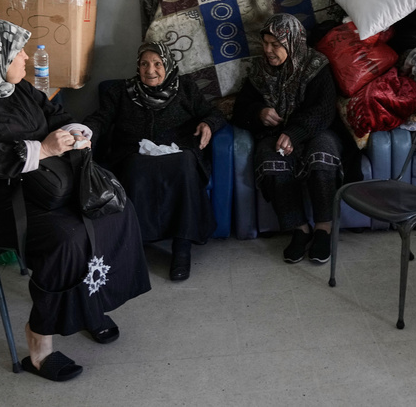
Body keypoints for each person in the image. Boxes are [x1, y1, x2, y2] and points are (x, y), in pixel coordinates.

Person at [0, 19, 151, 382]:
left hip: (42, 187)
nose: (27, 58)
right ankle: (39, 342)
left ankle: (88, 306)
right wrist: (44, 149)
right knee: (67, 237)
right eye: (18, 52)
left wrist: (76, 132)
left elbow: (56, 115)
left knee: (112, 208)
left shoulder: (13, 87)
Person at [84, 42, 225, 282]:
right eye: (144, 64)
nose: (151, 70)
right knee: (136, 169)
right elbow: (101, 118)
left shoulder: (186, 88)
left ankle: (182, 248)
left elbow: (214, 113)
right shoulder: (121, 92)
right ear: (137, 66)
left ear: (167, 65)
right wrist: (85, 132)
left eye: (157, 64)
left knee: (184, 166)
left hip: (178, 151)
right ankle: (137, 246)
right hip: (134, 153)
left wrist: (208, 124)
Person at [232, 14, 343, 264]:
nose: (268, 50)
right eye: (266, 43)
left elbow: (324, 110)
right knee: (272, 162)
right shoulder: (260, 70)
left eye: (276, 45)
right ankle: (300, 229)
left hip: (315, 131)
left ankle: (323, 229)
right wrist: (259, 112)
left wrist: (294, 133)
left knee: (321, 157)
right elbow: (240, 108)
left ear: (292, 42)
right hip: (274, 134)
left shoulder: (316, 65)